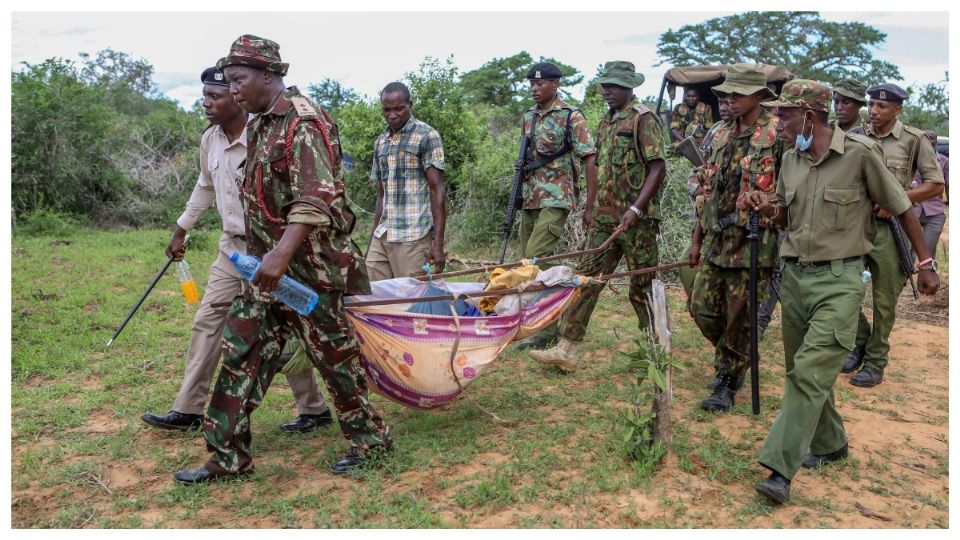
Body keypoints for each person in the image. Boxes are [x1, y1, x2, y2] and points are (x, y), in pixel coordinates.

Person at [174, 35, 390, 484]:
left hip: (312, 272)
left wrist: (279, 255)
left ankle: (370, 440)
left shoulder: (303, 123)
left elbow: (316, 199)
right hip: (266, 272)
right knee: (241, 351)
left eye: (239, 80)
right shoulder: (259, 125)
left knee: (336, 360)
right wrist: (261, 259)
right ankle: (226, 456)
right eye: (229, 81)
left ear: (268, 76)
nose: (233, 90)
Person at [744, 79, 939, 504]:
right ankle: (831, 443)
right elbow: (784, 216)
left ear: (808, 117)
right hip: (794, 279)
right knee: (806, 370)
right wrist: (768, 210)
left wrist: (925, 264)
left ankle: (780, 468)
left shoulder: (859, 154)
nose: (777, 122)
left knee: (808, 373)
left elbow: (903, 207)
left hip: (839, 281)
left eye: (784, 114)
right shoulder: (790, 159)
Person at [141, 66, 332, 436]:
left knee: (289, 327)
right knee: (208, 320)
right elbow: (204, 185)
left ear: (235, 95)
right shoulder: (210, 139)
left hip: (275, 249)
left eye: (215, 96)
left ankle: (314, 409)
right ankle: (188, 409)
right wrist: (181, 229)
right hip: (231, 250)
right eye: (205, 97)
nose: (207, 104)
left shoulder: (266, 133)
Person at [529, 61, 665, 371]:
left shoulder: (644, 119)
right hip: (605, 217)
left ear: (630, 87)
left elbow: (657, 167)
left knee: (642, 285)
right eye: (605, 85)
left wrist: (636, 209)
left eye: (614, 86)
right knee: (586, 279)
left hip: (638, 220)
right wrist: (590, 208)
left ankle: (655, 349)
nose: (608, 90)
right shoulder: (605, 122)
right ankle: (567, 348)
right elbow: (598, 168)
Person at [687, 64, 784, 411]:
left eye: (737, 93)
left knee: (741, 317)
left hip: (753, 242)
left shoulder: (777, 136)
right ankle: (735, 357)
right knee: (702, 309)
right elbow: (707, 190)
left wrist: (771, 208)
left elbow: (788, 193)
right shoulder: (718, 134)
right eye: (727, 93)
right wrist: (696, 239)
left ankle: (727, 381)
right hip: (716, 237)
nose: (729, 99)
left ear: (759, 96)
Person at [842, 83, 945, 386]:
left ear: (897, 109)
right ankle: (859, 341)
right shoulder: (855, 136)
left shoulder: (913, 140)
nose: (873, 111)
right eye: (871, 105)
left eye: (881, 106)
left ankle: (875, 361)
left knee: (884, 301)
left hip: (891, 229)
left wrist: (898, 198)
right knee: (844, 288)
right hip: (854, 226)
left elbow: (935, 184)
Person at [512, 62, 598, 351]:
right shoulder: (528, 116)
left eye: (541, 84)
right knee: (531, 261)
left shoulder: (570, 116)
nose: (535, 88)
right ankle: (542, 325)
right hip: (531, 197)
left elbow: (590, 158)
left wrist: (589, 205)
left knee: (535, 258)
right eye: (532, 84)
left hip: (557, 197)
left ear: (555, 84)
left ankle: (546, 326)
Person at [366, 81, 447, 279]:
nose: (392, 115)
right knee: (372, 293)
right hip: (383, 234)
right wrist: (370, 241)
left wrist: (438, 244)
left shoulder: (427, 135)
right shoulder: (381, 141)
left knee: (411, 300)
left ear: (410, 104)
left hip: (413, 235)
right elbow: (381, 194)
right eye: (386, 110)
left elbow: (437, 191)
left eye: (399, 109)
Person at [910, 130, 949, 260]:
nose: (929, 141)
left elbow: (948, 186)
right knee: (906, 250)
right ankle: (904, 278)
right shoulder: (910, 159)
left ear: (936, 141)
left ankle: (926, 276)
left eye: (932, 138)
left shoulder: (944, 161)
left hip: (934, 212)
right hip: (910, 210)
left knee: (928, 250)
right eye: (926, 138)